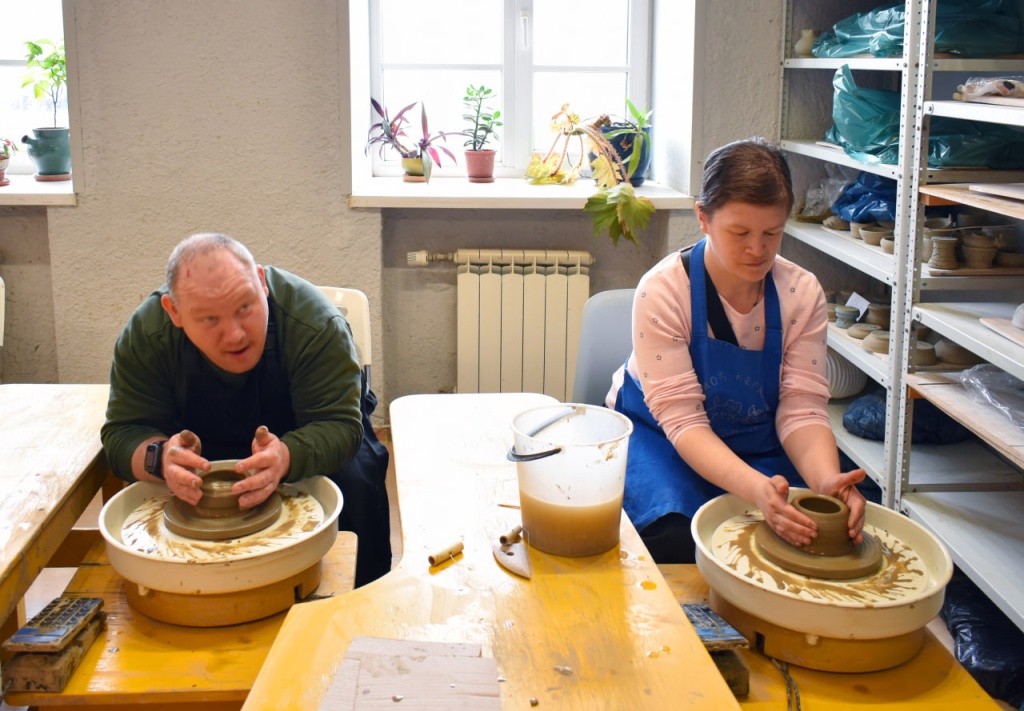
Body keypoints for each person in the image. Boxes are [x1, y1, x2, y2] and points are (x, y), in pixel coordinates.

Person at [609, 137, 867, 564]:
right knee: (677, 538)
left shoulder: (800, 292)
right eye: (740, 232)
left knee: (807, 533)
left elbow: (801, 408)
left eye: (772, 233)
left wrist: (826, 480)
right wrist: (754, 490)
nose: (757, 249)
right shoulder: (663, 291)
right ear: (703, 219)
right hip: (663, 438)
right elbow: (682, 418)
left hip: (756, 439)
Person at [101, 232, 392, 587]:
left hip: (306, 430)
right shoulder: (147, 335)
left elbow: (340, 426)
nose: (235, 334)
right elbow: (122, 434)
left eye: (245, 308)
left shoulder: (315, 325)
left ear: (261, 283)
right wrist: (161, 458)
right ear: (174, 312)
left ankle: (363, 607)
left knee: (356, 481)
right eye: (209, 320)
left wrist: (286, 455)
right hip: (201, 449)